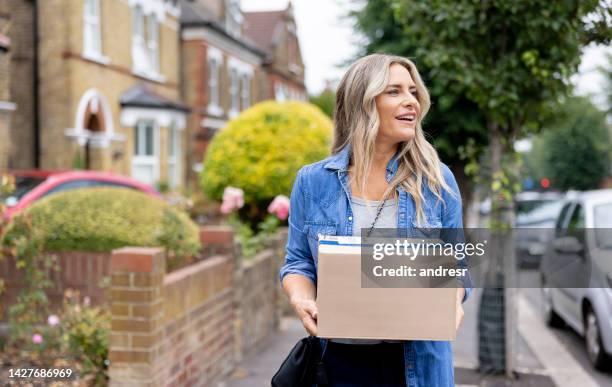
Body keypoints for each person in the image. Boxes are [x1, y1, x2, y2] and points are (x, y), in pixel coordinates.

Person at [279, 53, 472, 386]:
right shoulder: (312, 182)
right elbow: (297, 262)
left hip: (419, 363)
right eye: (394, 91)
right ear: (362, 102)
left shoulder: (437, 181)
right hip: (337, 362)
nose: (411, 101)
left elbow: (455, 265)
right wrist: (302, 300)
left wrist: (452, 302)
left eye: (413, 91)